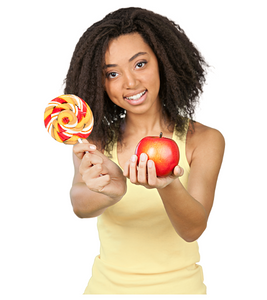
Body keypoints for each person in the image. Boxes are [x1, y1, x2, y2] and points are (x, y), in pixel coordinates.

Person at [64, 7, 225, 294]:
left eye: (140, 64)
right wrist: (109, 191)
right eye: (112, 73)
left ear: (164, 61)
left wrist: (168, 185)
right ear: (100, 83)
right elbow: (78, 203)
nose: (130, 83)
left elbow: (193, 230)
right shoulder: (95, 141)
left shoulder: (204, 140)